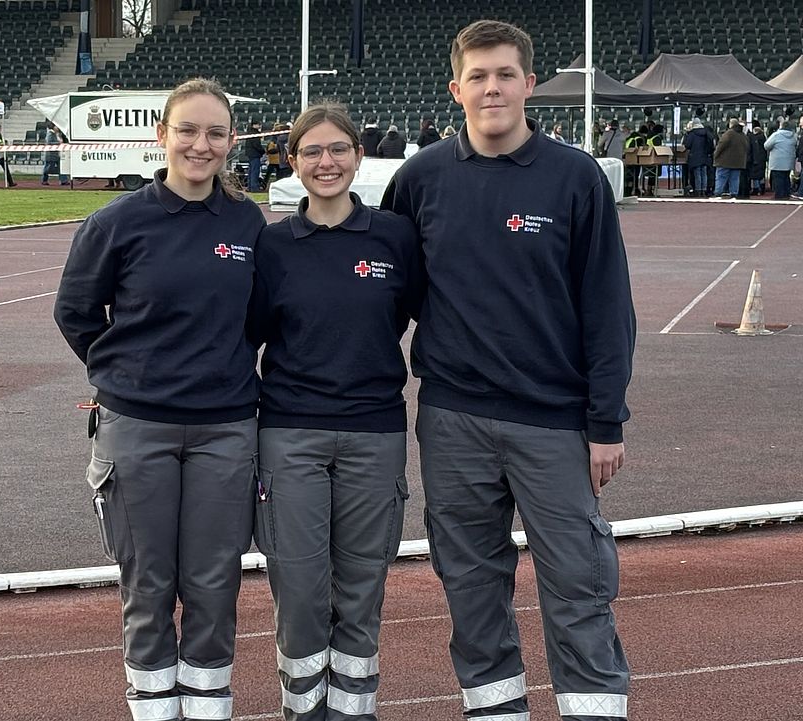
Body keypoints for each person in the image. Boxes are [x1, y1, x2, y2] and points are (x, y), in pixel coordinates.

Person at [382, 19, 635, 721]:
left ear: (529, 84)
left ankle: (593, 709)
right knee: (469, 582)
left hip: (553, 422)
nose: (491, 87)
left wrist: (606, 419)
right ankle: (495, 709)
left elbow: (608, 305)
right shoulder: (420, 178)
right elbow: (388, 298)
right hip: (453, 418)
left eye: (505, 74)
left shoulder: (575, 178)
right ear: (455, 87)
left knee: (578, 580)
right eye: (478, 76)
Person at [53, 77, 265, 721]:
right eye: (188, 130)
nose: (201, 145)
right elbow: (76, 311)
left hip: (226, 428)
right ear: (161, 136)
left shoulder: (246, 221)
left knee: (213, 580)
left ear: (231, 142)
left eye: (215, 133)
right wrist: (128, 372)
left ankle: (206, 706)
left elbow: (256, 317)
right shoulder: (116, 222)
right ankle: (151, 706)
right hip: (137, 425)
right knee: (147, 581)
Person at [248, 101, 424, 721]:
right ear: (292, 162)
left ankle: (353, 712)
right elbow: (250, 333)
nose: (327, 162)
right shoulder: (270, 245)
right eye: (312, 152)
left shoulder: (394, 237)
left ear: (357, 155)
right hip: (291, 434)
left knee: (360, 591)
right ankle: (303, 712)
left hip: (374, 434)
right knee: (298, 592)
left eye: (338, 149)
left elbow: (414, 314)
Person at [713, 118, 749, 198]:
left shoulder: (728, 133)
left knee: (721, 177)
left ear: (731, 124)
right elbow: (747, 147)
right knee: (735, 178)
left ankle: (718, 193)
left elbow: (720, 146)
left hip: (724, 161)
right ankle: (734, 194)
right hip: (738, 162)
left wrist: (715, 155)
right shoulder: (743, 135)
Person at [763, 118, 796, 200]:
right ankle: (786, 194)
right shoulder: (793, 136)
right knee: (786, 177)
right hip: (789, 161)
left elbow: (766, 145)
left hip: (777, 161)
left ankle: (779, 195)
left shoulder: (776, 135)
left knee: (778, 179)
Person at [682, 117, 714, 197]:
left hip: (695, 157)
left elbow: (687, 145)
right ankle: (704, 190)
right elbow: (711, 144)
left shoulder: (692, 134)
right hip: (705, 156)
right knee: (704, 174)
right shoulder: (707, 133)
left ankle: (698, 191)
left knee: (697, 174)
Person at [0, 123, 17, 187]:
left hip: (0, 155)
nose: (0, 130)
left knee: (6, 169)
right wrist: (3, 144)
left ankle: (10, 182)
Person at [243, 121, 265, 191]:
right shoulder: (255, 134)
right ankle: (254, 187)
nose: (259, 126)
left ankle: (250, 187)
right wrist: (262, 151)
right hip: (255, 154)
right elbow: (256, 145)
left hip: (250, 153)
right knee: (255, 171)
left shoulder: (249, 133)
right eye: (258, 124)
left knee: (251, 171)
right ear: (254, 125)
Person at [747, 123, 767, 196]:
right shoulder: (763, 138)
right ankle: (762, 188)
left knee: (755, 175)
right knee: (761, 175)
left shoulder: (754, 139)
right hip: (762, 158)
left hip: (756, 158)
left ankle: (756, 188)